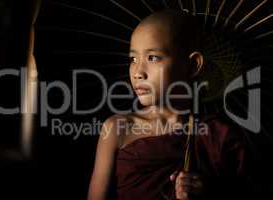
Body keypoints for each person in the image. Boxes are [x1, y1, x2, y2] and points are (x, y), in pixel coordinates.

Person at [88, 9, 250, 200]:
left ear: (193, 65)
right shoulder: (117, 129)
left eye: (152, 57)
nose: (138, 72)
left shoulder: (219, 136)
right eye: (133, 59)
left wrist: (206, 192)